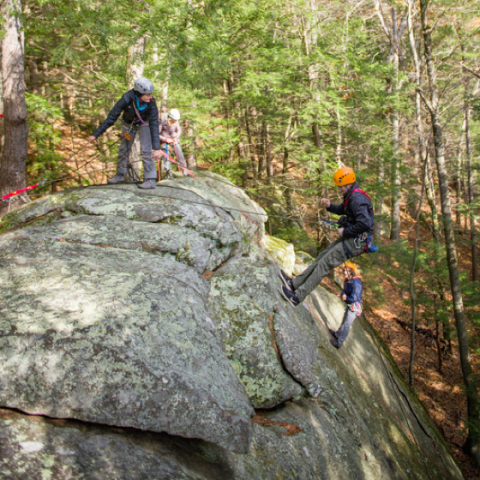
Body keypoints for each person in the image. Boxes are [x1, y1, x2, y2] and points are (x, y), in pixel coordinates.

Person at [279, 166, 374, 307]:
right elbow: (344, 209)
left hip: (355, 242)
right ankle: (293, 284)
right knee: (322, 257)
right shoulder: (351, 195)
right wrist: (330, 206)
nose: (338, 189)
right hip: (351, 238)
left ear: (348, 184)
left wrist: (345, 232)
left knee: (324, 265)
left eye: (340, 187)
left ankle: (297, 297)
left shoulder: (357, 199)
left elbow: (365, 223)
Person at [88, 77, 161, 189]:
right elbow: (111, 117)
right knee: (124, 149)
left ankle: (150, 179)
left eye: (151, 94)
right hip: (129, 123)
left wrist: (156, 148)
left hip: (145, 123)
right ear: (138, 93)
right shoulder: (126, 98)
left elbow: (154, 124)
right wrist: (96, 134)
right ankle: (120, 174)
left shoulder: (151, 102)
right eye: (147, 95)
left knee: (146, 150)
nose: (150, 97)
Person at [329, 261, 362, 348]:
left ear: (351, 272)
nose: (344, 273)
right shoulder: (348, 280)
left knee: (347, 324)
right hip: (349, 304)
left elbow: (355, 298)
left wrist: (346, 298)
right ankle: (337, 334)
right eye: (344, 271)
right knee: (344, 320)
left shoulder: (356, 283)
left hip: (354, 307)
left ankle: (339, 342)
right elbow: (345, 290)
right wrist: (343, 294)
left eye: (346, 271)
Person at [158, 109, 188, 179]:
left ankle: (185, 173)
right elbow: (157, 134)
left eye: (175, 121)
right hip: (164, 141)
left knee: (180, 156)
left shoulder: (175, 121)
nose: (174, 122)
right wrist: (165, 139)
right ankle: (169, 175)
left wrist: (177, 137)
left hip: (174, 140)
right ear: (169, 118)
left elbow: (179, 130)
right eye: (173, 120)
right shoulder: (162, 121)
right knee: (167, 158)